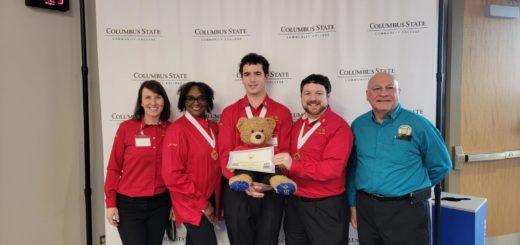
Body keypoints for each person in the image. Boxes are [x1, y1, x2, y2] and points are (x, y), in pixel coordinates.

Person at [347, 72, 452, 245]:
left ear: (399, 92)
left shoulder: (419, 125)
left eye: (390, 88)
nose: (383, 93)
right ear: (367, 95)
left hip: (407, 211)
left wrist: (413, 186)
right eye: (376, 89)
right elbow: (353, 167)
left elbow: (441, 165)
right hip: (367, 209)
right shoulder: (358, 125)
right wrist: (352, 203)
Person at [218, 53, 292, 245]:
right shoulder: (230, 112)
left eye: (257, 73)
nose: (252, 79)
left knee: (268, 241)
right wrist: (240, 181)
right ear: (241, 77)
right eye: (247, 74)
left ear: (266, 76)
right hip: (238, 187)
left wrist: (271, 183)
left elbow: (285, 151)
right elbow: (224, 152)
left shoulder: (281, 112)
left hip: (271, 187)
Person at [274, 74, 353, 245]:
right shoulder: (297, 124)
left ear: (328, 96)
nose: (313, 99)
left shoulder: (339, 127)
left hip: (325, 206)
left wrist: (293, 165)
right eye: (307, 93)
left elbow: (332, 169)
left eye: (318, 93)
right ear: (301, 97)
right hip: (295, 204)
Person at [104, 80, 172, 245]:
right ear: (140, 102)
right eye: (147, 97)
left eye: (157, 97)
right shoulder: (126, 128)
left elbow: (177, 170)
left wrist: (176, 203)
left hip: (160, 204)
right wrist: (111, 203)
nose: (153, 103)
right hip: (129, 205)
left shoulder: (173, 130)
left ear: (164, 101)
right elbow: (113, 168)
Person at [162, 81, 222, 245]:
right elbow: (172, 175)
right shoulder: (177, 130)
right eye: (190, 98)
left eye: (201, 98)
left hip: (209, 196)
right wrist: (204, 205)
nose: (196, 103)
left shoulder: (214, 128)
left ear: (208, 101)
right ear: (183, 102)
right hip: (191, 201)